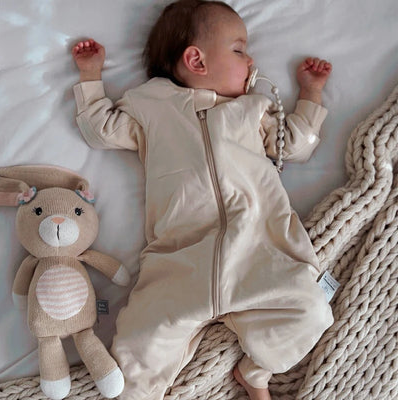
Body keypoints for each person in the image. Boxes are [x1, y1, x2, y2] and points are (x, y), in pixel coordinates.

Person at [71, 1, 334, 399]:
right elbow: (102, 130)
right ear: (196, 60)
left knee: (312, 310)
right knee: (139, 345)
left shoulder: (252, 110)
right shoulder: (152, 107)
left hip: (258, 252)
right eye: (239, 50)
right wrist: (90, 76)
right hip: (178, 259)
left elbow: (295, 145)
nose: (251, 61)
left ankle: (255, 374)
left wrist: (311, 94)